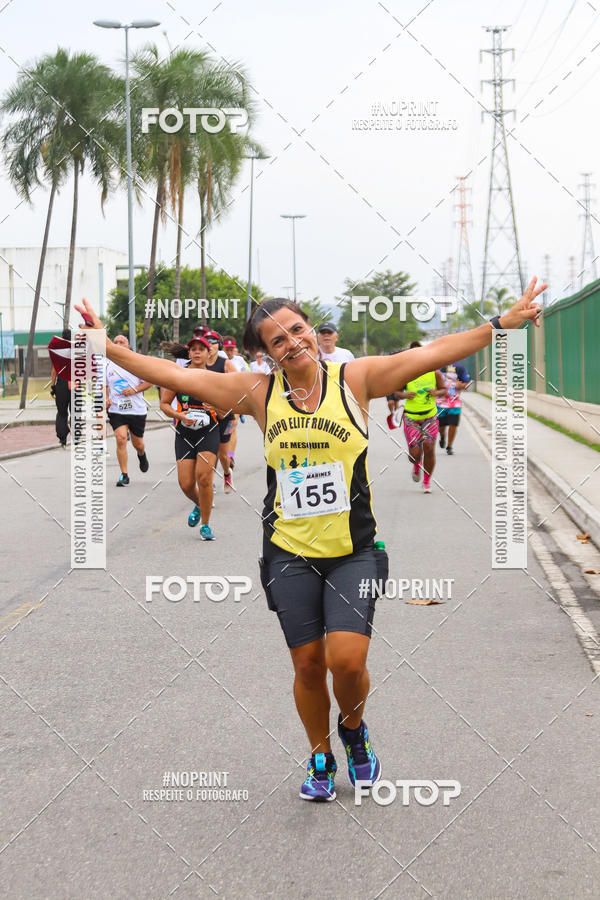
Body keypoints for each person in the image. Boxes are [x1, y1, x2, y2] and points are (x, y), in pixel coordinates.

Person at [76, 277, 545, 801]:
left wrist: (502, 323)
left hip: (355, 552)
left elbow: (435, 351)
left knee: (347, 661)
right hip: (288, 554)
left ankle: (354, 731)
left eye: (297, 329)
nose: (293, 342)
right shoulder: (255, 393)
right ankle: (320, 753)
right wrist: (102, 342)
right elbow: (165, 371)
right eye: (278, 340)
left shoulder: (357, 377)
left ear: (309, 330)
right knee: (307, 664)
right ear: (266, 354)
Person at [159, 334, 220, 539]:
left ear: (208, 352)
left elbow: (231, 408)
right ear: (188, 352)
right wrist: (178, 415)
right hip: (184, 432)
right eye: (192, 348)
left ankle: (206, 524)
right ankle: (199, 503)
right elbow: (164, 404)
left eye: (200, 349)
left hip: (209, 431)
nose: (196, 352)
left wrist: (218, 407)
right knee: (185, 483)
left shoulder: (216, 378)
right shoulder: (177, 375)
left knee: (204, 478)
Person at [392, 341, 446, 494]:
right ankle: (417, 464)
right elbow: (396, 392)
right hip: (411, 418)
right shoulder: (406, 373)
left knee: (429, 449)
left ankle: (427, 481)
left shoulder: (434, 373)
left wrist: (436, 393)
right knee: (414, 454)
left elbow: (443, 390)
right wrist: (404, 394)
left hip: (430, 416)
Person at [105, 334, 152, 486]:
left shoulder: (136, 362)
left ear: (128, 346)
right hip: (116, 409)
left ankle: (141, 454)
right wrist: (105, 398)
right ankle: (124, 475)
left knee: (138, 443)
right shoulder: (107, 363)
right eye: (116, 341)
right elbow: (104, 385)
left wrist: (134, 390)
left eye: (122, 342)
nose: (118, 344)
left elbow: (150, 381)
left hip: (136, 409)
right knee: (120, 439)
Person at [205, 330, 236, 492]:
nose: (210, 344)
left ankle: (226, 473)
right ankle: (208, 486)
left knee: (223, 455)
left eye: (214, 341)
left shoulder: (226, 364)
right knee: (209, 453)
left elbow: (238, 387)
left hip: (225, 415)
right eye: (207, 341)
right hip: (206, 416)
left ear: (219, 345)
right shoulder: (199, 364)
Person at [437, 362, 471, 455]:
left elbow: (467, 383)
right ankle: (442, 436)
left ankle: (449, 446)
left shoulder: (459, 367)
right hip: (440, 403)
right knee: (441, 427)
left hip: (454, 402)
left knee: (453, 424)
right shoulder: (437, 365)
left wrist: (462, 386)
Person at [50, 327, 72, 448]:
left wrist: (53, 386)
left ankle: (63, 439)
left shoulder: (58, 351)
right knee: (76, 411)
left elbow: (54, 371)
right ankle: (77, 437)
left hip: (62, 384)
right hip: (75, 383)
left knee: (62, 413)